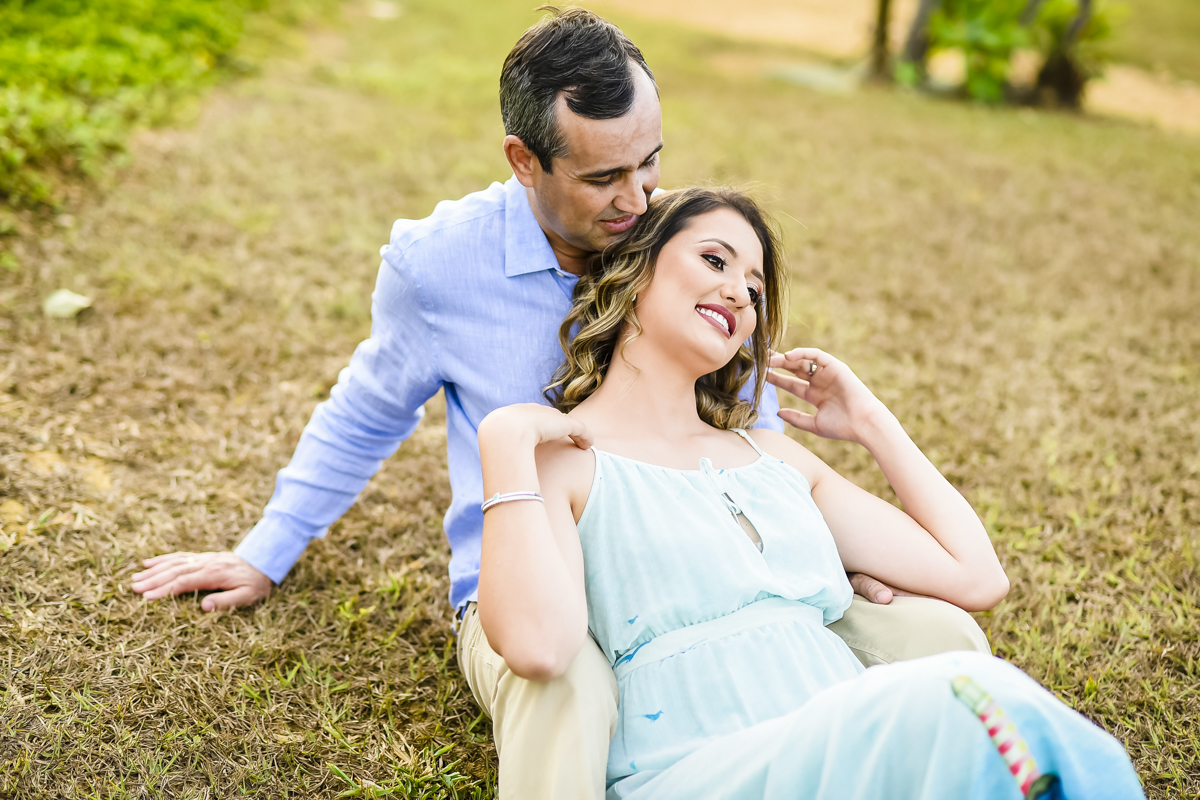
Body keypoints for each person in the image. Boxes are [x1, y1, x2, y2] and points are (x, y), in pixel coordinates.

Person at [132, 8, 994, 798]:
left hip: (708, 557)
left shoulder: (672, 238)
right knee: (566, 684)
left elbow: (737, 415)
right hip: (530, 567)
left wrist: (818, 552)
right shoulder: (439, 267)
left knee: (937, 637)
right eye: (606, 175)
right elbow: (367, 410)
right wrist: (267, 550)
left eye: (651, 161)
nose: (638, 196)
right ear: (524, 159)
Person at [475, 186, 1144, 799]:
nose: (740, 293)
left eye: (756, 288)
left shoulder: (771, 459)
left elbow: (976, 576)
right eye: (715, 260)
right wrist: (503, 442)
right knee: (973, 703)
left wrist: (874, 425)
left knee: (994, 724)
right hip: (700, 767)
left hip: (846, 750)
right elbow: (539, 650)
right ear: (634, 269)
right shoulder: (566, 462)